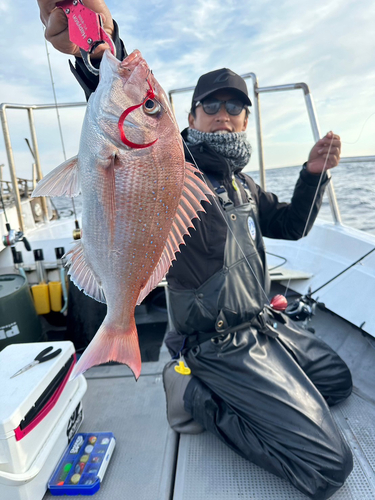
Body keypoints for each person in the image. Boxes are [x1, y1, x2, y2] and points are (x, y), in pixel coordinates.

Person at [37, 2, 353, 499]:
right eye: (212, 105)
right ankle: (197, 392)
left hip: (260, 325)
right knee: (328, 467)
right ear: (190, 115)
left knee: (336, 381)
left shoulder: (243, 185)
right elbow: (127, 118)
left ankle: (267, 383)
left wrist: (313, 174)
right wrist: (100, 49)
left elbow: (291, 226)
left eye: (235, 107)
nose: (224, 116)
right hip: (212, 343)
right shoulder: (174, 162)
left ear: (246, 119)